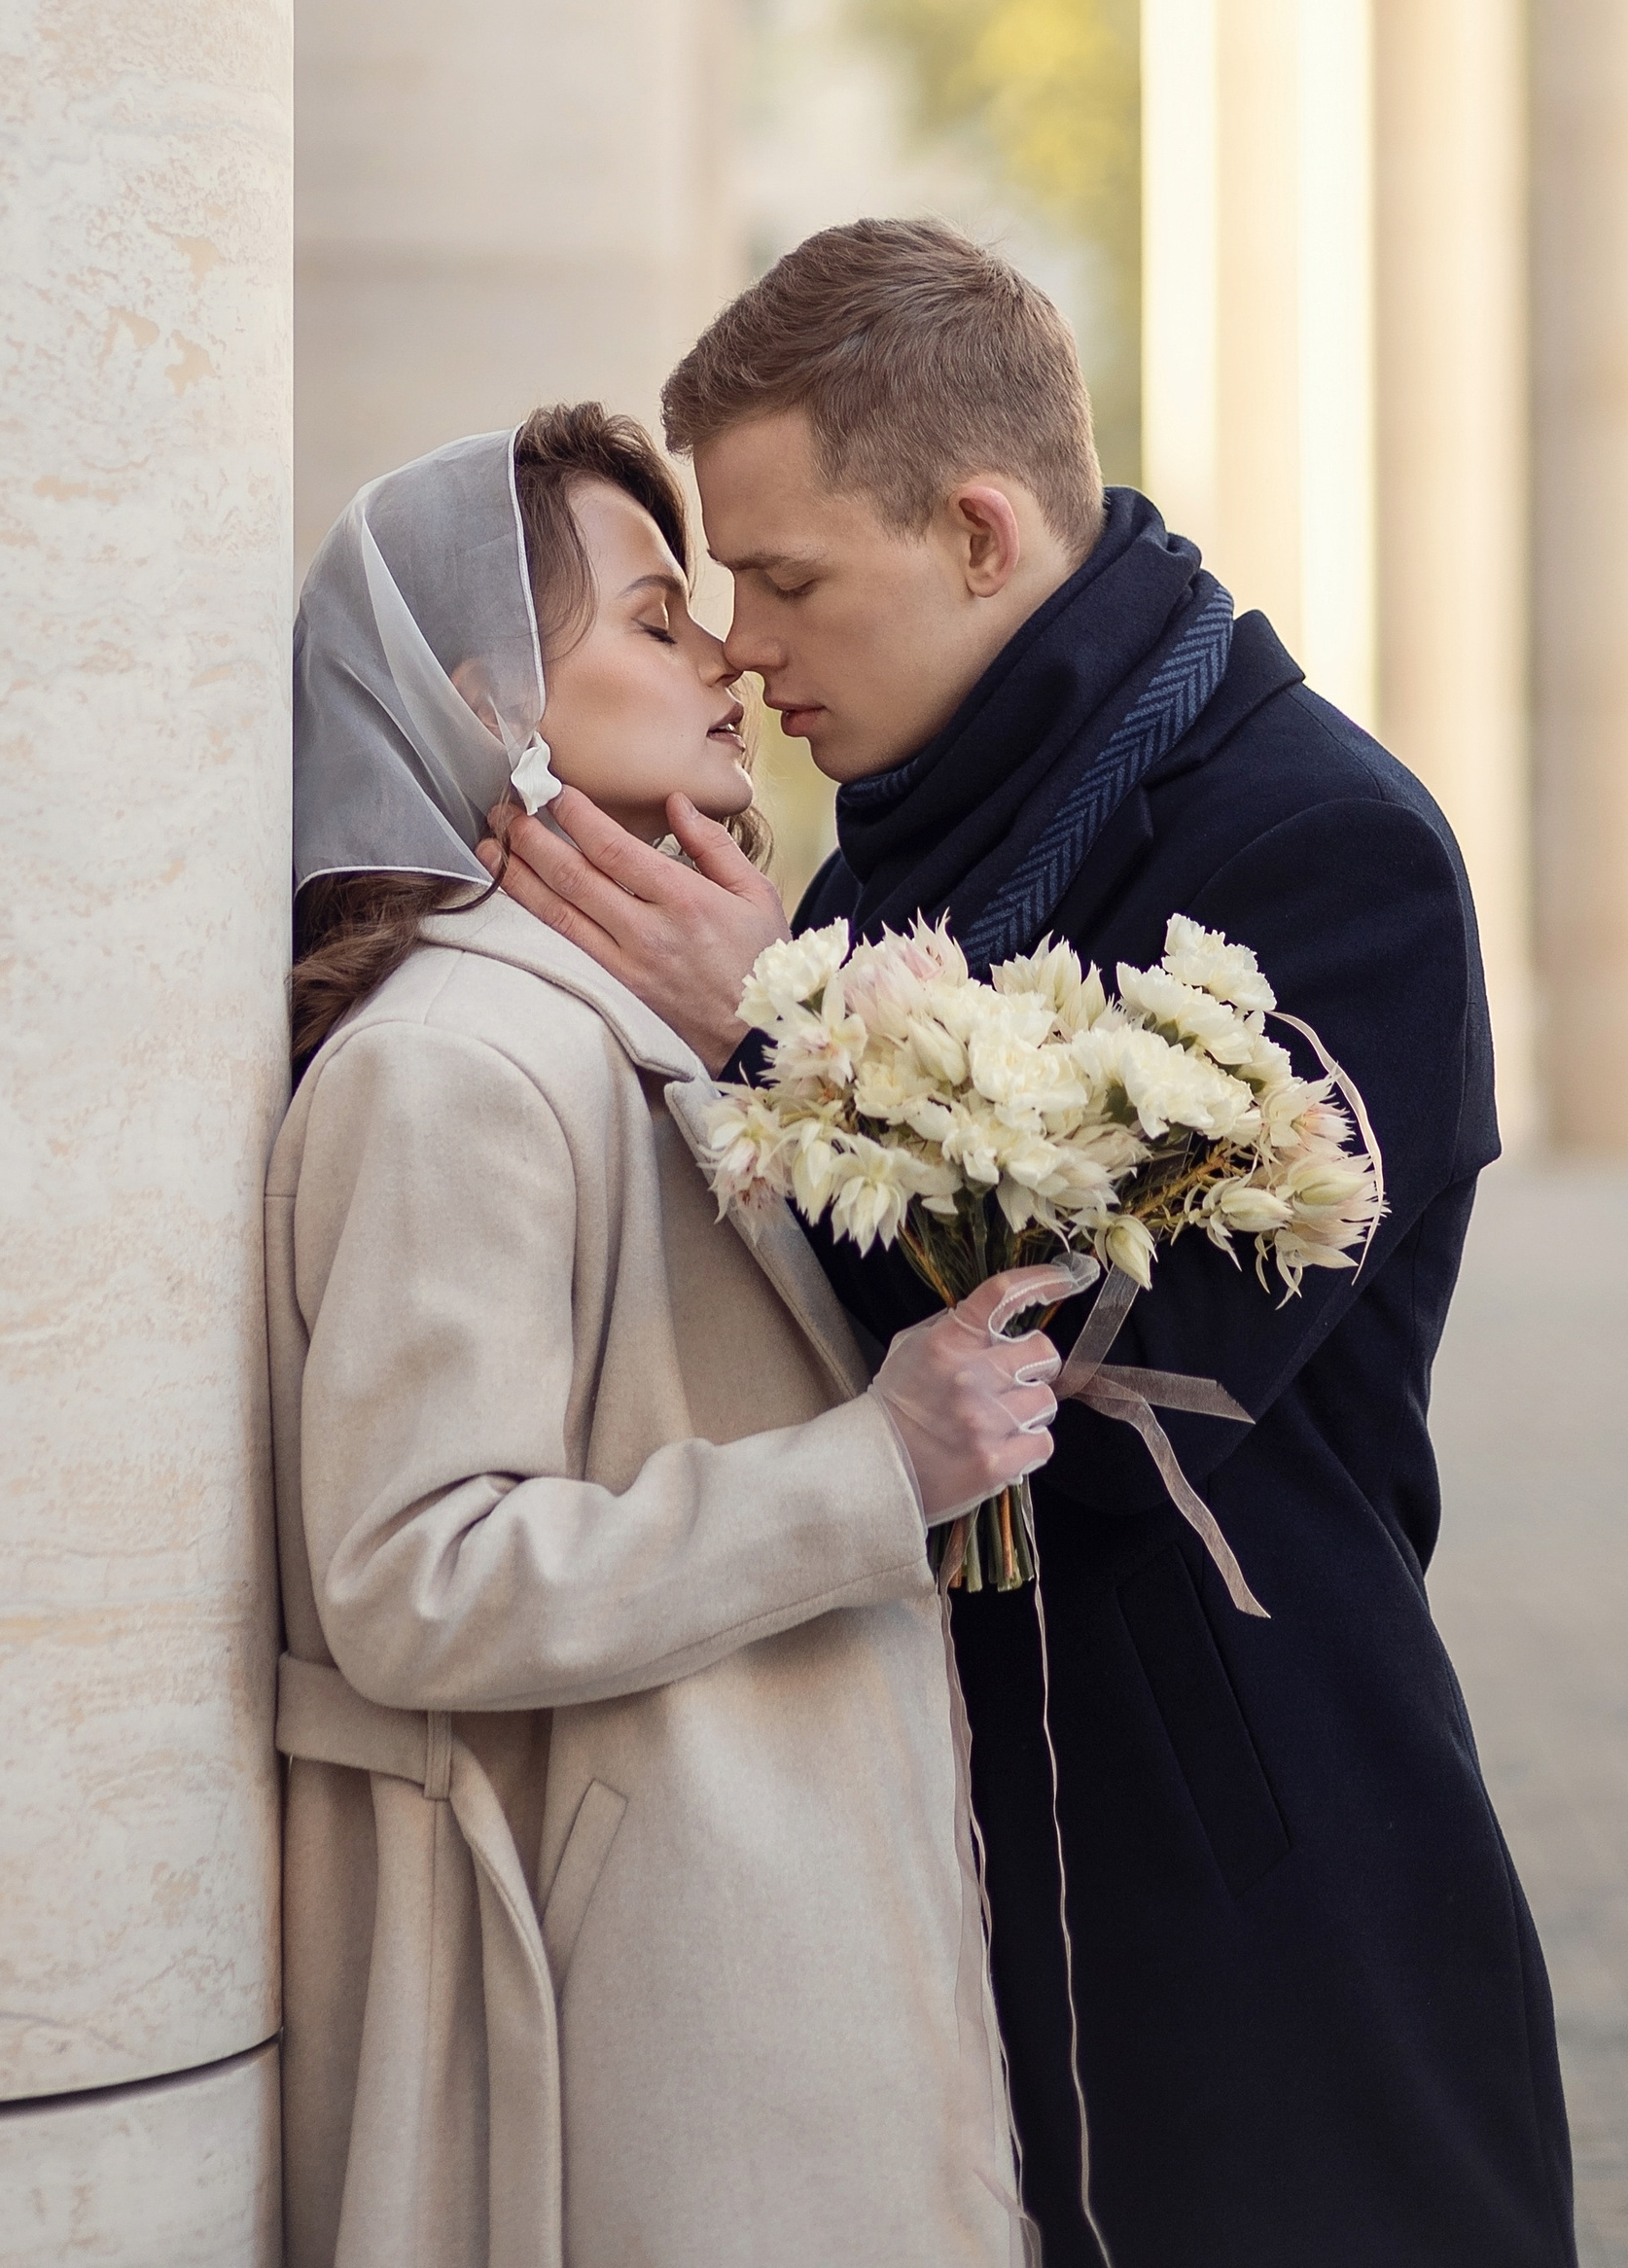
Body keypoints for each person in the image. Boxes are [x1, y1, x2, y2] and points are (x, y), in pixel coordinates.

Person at [490, 223, 1580, 2268]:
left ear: (979, 534)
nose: (742, 648)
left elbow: (1110, 1395)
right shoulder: (922, 814)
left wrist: (790, 1029)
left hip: (1247, 1914)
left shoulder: (1319, 844)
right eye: (712, 592)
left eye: (787, 578)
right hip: (920, 1863)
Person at [271, 402, 1058, 2268]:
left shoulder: (651, 1029)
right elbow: (415, 1577)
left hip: (793, 1952)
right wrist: (879, 1468)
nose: (727, 660)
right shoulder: (454, 1067)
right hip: (647, 2017)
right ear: (484, 702)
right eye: (652, 619)